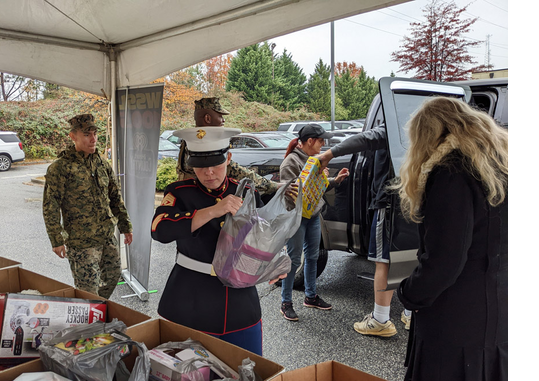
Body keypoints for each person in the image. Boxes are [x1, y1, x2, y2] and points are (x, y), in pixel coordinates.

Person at [392, 96, 508, 381]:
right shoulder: (499, 165)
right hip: (498, 308)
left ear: (428, 135)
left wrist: (408, 293)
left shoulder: (450, 172)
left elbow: (445, 261)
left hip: (457, 320)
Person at [152, 126, 282, 356]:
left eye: (216, 164)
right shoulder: (179, 192)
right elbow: (159, 230)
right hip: (190, 300)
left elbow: (264, 234)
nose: (209, 172)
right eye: (201, 166)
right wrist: (213, 210)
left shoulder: (245, 190)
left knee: (248, 372)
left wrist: (276, 261)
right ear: (191, 164)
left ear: (229, 158)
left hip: (240, 302)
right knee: (188, 380)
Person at [317, 124, 413, 337]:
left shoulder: (396, 122)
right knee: (412, 258)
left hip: (390, 203)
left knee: (384, 261)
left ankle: (380, 320)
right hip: (416, 201)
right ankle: (410, 313)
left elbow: (366, 138)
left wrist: (329, 154)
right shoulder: (429, 125)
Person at [42, 114, 134, 299]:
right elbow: (50, 205)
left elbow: (115, 198)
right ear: (73, 136)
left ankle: (97, 311)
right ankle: (89, 320)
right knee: (87, 289)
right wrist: (56, 239)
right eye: (86, 135)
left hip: (106, 236)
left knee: (113, 276)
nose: (93, 139)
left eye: (94, 133)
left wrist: (125, 226)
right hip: (81, 242)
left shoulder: (101, 164)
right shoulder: (61, 168)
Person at [277, 124, 348, 321]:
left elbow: (318, 187)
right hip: (297, 218)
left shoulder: (315, 161)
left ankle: (311, 296)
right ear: (310, 141)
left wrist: (334, 180)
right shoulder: (291, 162)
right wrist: (307, 183)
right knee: (293, 260)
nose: (323, 144)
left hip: (314, 216)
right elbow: (288, 195)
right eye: (321, 140)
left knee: (313, 256)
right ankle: (286, 302)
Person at [176, 97, 279, 196]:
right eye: (220, 116)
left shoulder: (190, 141)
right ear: (208, 118)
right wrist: (273, 186)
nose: (223, 120)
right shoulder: (202, 144)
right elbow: (237, 172)